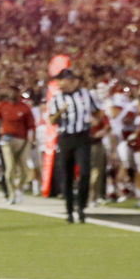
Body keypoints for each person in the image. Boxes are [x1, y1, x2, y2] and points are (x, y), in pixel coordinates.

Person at [47, 69, 97, 223]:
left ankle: (81, 205)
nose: (60, 83)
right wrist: (60, 112)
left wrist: (95, 121)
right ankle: (69, 210)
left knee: (85, 172)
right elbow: (52, 121)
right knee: (67, 174)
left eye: (62, 79)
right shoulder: (56, 99)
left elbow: (98, 112)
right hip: (65, 138)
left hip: (82, 136)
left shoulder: (86, 95)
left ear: (71, 80)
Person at [0, 88, 36, 202]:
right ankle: (11, 193)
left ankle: (19, 188)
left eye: (14, 92)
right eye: (10, 91)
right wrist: (2, 128)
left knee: (24, 169)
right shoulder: (2, 106)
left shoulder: (24, 108)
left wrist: (32, 138)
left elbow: (31, 125)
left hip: (22, 140)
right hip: (7, 139)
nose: (12, 94)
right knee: (10, 168)